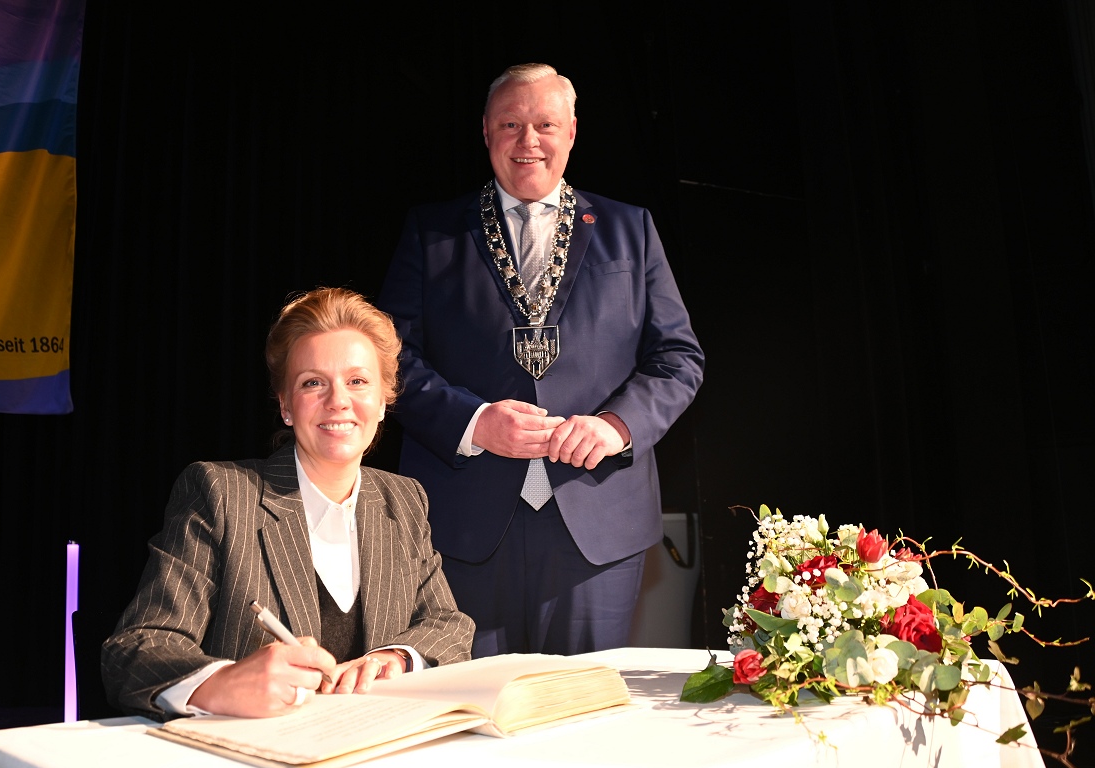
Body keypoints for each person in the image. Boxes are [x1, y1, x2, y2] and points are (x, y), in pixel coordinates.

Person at [378, 63, 704, 658]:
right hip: (463, 526)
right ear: (486, 131)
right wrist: (475, 422)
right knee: (468, 705)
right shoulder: (431, 232)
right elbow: (389, 361)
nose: (528, 140)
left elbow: (678, 358)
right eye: (510, 124)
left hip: (598, 523)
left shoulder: (630, 229)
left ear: (571, 132)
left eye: (545, 124)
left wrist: (616, 426)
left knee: (583, 708)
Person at [102, 288, 475, 719]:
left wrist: (396, 657)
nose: (338, 400)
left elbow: (449, 626)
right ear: (285, 405)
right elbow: (135, 649)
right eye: (313, 382)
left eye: (357, 381)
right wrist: (221, 683)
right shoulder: (221, 493)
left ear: (382, 402)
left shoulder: (403, 499)